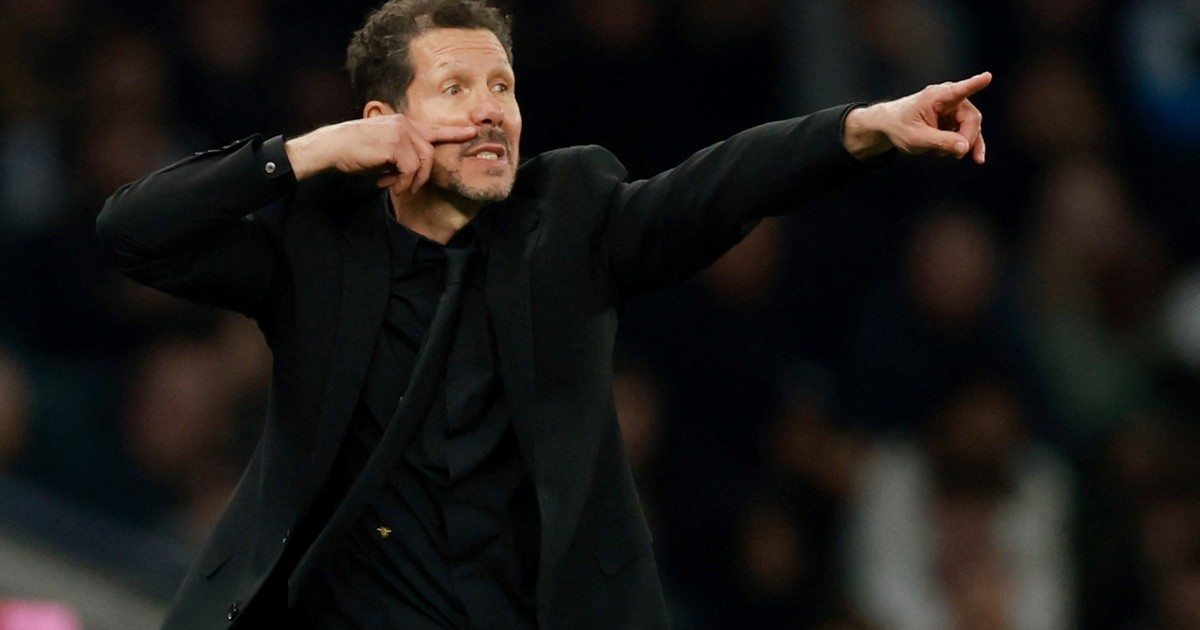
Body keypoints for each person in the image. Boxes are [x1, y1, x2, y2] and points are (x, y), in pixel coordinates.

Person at [95, 1, 989, 628]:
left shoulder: (570, 215)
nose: (492, 112)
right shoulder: (316, 242)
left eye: (503, 86)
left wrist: (863, 129)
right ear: (383, 119)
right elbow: (134, 232)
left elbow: (714, 189)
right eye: (456, 89)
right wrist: (303, 154)